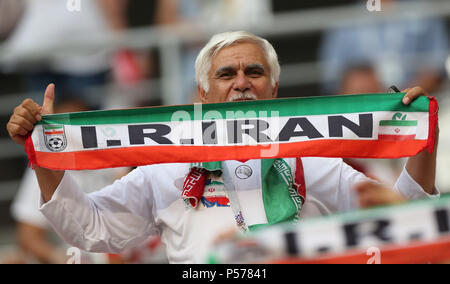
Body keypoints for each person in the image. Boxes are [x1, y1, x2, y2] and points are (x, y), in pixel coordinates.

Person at [6, 31, 440, 263]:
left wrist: (422, 141)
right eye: (226, 74)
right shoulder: (165, 168)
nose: (241, 81)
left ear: (273, 88)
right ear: (203, 92)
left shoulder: (314, 157)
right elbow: (89, 229)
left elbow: (398, 213)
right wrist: (46, 152)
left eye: (253, 71)